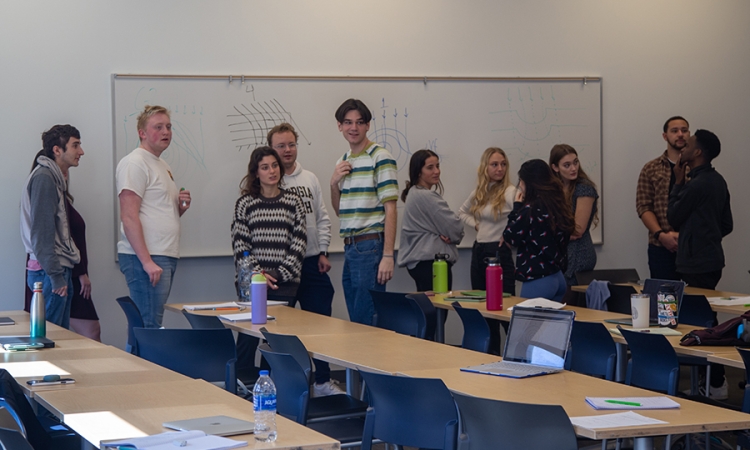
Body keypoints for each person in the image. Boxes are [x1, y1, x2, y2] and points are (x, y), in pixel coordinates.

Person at [268, 123, 342, 396]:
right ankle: (277, 381)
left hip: (311, 262)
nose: (287, 150)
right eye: (281, 146)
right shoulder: (270, 179)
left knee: (320, 324)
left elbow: (322, 216)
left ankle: (322, 381)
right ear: (271, 149)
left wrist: (323, 250)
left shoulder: (309, 178)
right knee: (276, 328)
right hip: (281, 267)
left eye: (291, 144)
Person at [668, 129, 732, 400]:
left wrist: (678, 183)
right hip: (711, 258)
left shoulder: (695, 184)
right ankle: (710, 381)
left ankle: (715, 382)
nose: (684, 146)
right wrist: (706, 236)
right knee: (705, 318)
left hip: (695, 262)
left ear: (698, 153)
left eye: (690, 143)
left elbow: (673, 217)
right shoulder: (717, 180)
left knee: (704, 322)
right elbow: (727, 224)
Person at [116, 105, 192, 329]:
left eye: (168, 127)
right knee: (148, 326)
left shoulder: (162, 164)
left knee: (150, 325)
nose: (166, 132)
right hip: (147, 258)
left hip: (162, 254)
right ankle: (141, 364)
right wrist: (147, 261)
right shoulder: (135, 163)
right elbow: (128, 216)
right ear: (142, 133)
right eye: (158, 127)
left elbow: (155, 212)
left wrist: (179, 208)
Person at [330, 99, 398, 325]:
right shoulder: (343, 160)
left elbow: (390, 208)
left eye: (359, 122)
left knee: (366, 320)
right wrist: (333, 183)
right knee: (356, 319)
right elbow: (341, 211)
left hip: (370, 245)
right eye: (348, 122)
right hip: (350, 246)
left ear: (368, 125)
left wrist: (388, 255)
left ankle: (364, 362)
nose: (353, 128)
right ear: (339, 126)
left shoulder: (380, 157)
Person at [20, 125, 83, 328]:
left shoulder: (53, 178)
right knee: (50, 342)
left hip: (53, 270)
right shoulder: (45, 178)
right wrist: (56, 276)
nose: (81, 151)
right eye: (76, 145)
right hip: (49, 273)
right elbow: (41, 234)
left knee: (57, 339)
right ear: (57, 150)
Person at [503, 159, 576, 301]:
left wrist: (517, 207)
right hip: (557, 277)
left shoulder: (530, 210)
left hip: (538, 279)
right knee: (553, 323)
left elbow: (510, 236)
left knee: (528, 323)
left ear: (529, 184)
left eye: (521, 181)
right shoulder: (557, 205)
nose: (520, 186)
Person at [397, 150, 464, 291]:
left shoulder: (414, 193)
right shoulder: (425, 196)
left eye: (437, 166)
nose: (436, 171)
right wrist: (450, 236)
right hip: (431, 264)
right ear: (418, 172)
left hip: (424, 264)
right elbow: (456, 229)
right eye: (430, 167)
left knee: (429, 311)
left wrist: (441, 233)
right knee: (437, 312)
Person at [636, 116, 689, 280]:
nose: (680, 134)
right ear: (665, 136)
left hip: (691, 246)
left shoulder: (697, 168)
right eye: (674, 131)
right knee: (664, 300)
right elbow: (644, 207)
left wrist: (683, 235)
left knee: (694, 299)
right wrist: (661, 235)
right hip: (660, 245)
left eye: (684, 130)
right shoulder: (651, 168)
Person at [459, 147, 517, 295]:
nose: (500, 169)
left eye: (503, 164)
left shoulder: (510, 191)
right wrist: (477, 225)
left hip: (498, 250)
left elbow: (521, 216)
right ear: (485, 167)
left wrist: (509, 235)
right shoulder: (479, 192)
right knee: (479, 297)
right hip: (479, 249)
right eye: (495, 164)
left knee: (501, 299)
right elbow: (462, 212)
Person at [549, 144, 599, 287]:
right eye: (567, 165)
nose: (573, 168)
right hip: (559, 254)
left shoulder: (584, 188)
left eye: (575, 162)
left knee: (568, 302)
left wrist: (549, 235)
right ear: (555, 167)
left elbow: (577, 230)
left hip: (578, 254)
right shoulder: (553, 189)